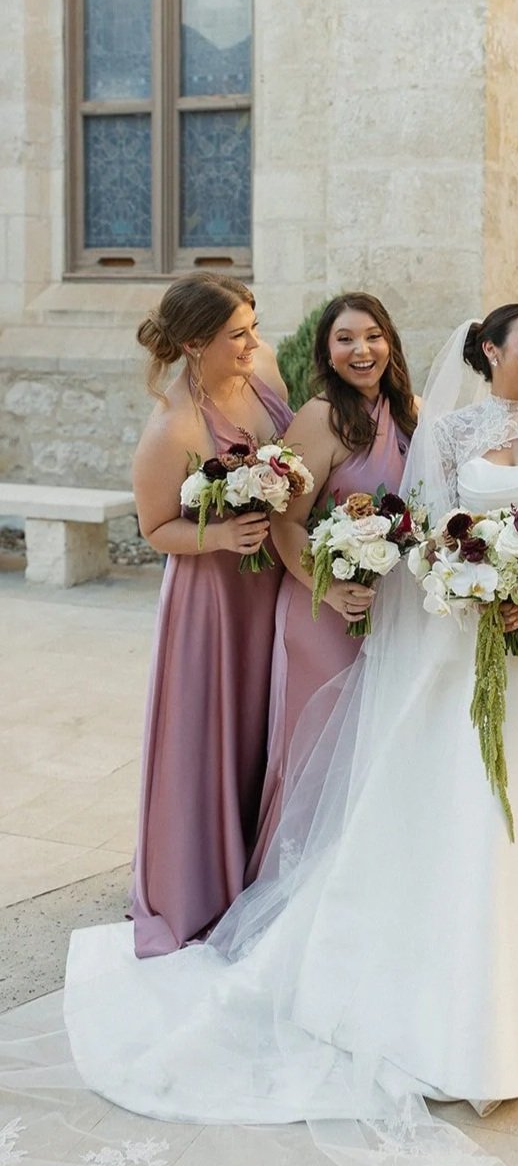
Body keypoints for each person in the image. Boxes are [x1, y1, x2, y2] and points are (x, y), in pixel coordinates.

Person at [60, 306, 518, 1165]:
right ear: (486, 352)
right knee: (376, 775)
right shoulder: (426, 426)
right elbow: (424, 530)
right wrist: (461, 582)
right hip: (434, 620)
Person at [130, 272, 292, 956]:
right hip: (212, 602)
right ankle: (198, 884)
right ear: (196, 343)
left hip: (271, 585)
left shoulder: (265, 375)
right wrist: (221, 537)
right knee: (212, 730)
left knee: (269, 722)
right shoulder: (176, 427)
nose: (253, 342)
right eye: (238, 334)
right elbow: (154, 529)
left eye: (253, 326)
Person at [245, 293, 416, 881]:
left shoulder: (411, 412)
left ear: (389, 341)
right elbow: (285, 522)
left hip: (392, 613)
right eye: (344, 339)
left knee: (373, 753)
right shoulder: (321, 417)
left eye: (371, 335)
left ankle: (358, 885)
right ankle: (293, 888)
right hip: (323, 608)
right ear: (327, 351)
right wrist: (329, 586)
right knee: (317, 750)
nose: (360, 350)